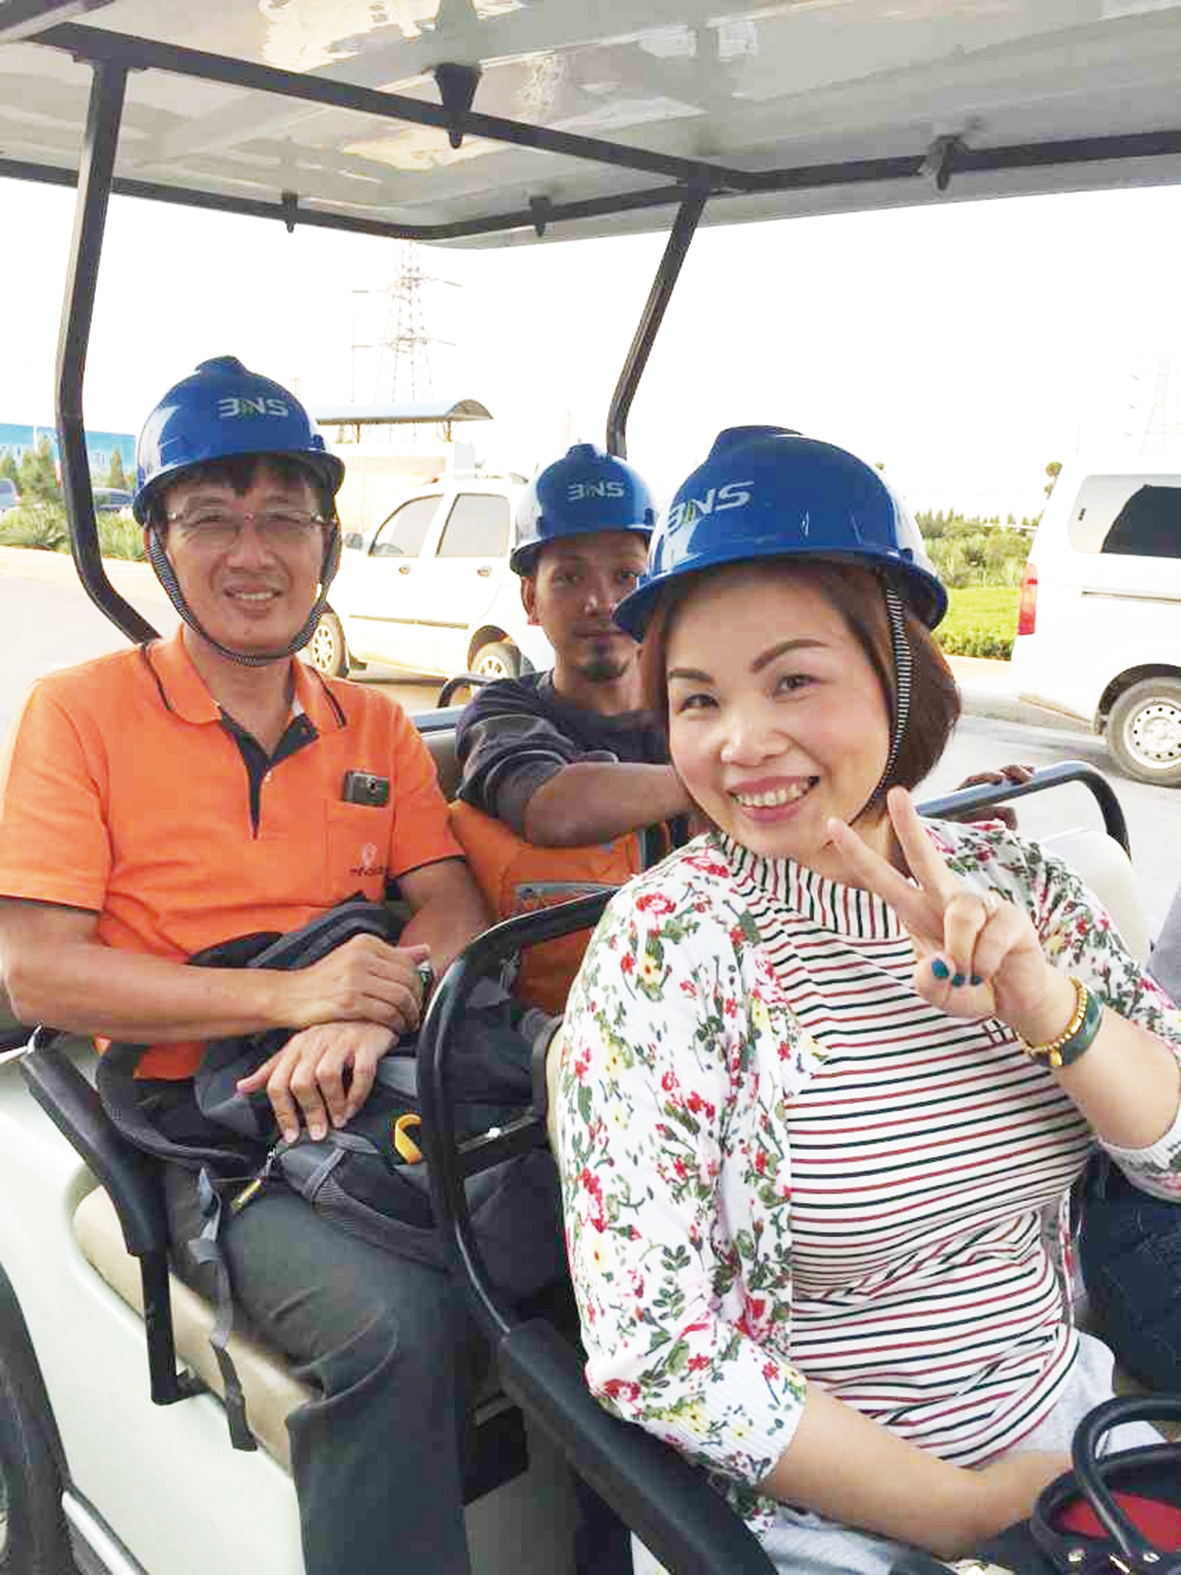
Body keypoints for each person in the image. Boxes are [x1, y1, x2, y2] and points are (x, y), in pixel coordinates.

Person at [552, 426, 1181, 1575]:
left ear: (895, 676)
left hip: (1073, 1434)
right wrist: (961, 1514)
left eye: (792, 680)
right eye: (697, 701)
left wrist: (1049, 1010)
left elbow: (1171, 1165)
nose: (741, 742)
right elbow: (654, 1346)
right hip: (821, 1521)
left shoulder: (1016, 886)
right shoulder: (667, 950)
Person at [0, 357, 493, 1575]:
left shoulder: (374, 725)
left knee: (607, 1246)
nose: (253, 552)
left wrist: (368, 1009)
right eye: (212, 518)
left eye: (285, 518)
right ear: (159, 548)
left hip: (367, 1082)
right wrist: (293, 996)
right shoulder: (78, 715)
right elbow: (40, 975)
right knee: (393, 1331)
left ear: (326, 543)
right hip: (196, 1125)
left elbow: (453, 909)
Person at [453, 443, 692, 1013]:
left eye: (626, 576)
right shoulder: (502, 711)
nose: (600, 602)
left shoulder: (697, 707)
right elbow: (550, 806)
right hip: (563, 1022)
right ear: (530, 598)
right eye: (569, 578)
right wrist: (723, 781)